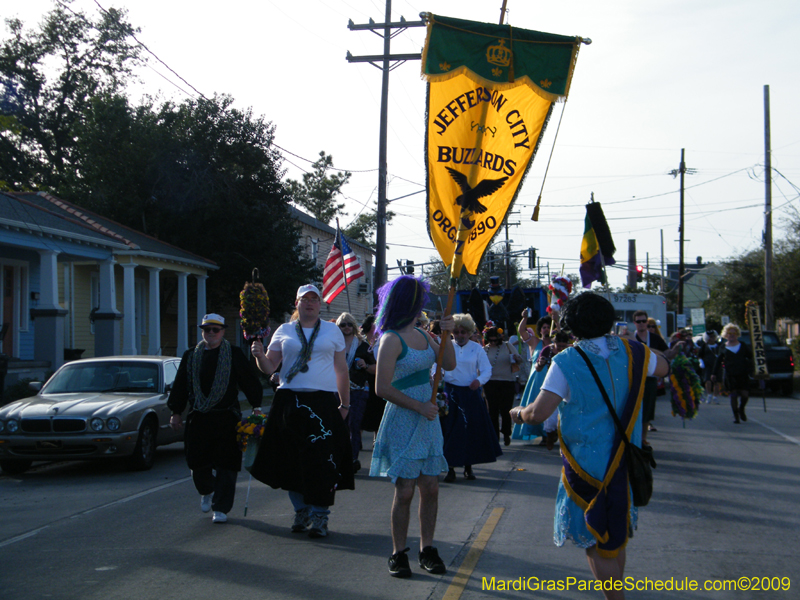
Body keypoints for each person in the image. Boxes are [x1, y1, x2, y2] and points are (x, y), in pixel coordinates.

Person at [511, 293, 669, 600]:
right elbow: (663, 366)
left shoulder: (566, 361)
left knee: (596, 540)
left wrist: (517, 412)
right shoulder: (633, 351)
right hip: (623, 462)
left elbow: (538, 413)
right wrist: (643, 350)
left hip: (586, 464)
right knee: (614, 538)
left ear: (570, 325)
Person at [249, 284, 354, 539]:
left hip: (322, 403)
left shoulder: (332, 331)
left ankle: (320, 517)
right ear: (296, 303)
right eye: (304, 299)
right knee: (291, 460)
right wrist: (259, 355)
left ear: (320, 304)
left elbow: (341, 370)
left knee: (321, 461)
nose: (309, 303)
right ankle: (301, 510)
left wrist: (345, 404)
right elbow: (270, 367)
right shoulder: (284, 330)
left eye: (314, 299)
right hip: (289, 401)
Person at [368, 276, 456, 578]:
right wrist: (418, 405)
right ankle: (398, 553)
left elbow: (450, 364)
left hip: (428, 419)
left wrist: (448, 334)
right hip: (405, 417)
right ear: (408, 302)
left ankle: (427, 549)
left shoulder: (423, 333)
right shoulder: (391, 340)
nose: (424, 305)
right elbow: (381, 387)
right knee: (405, 490)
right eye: (420, 300)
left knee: (430, 487)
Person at [167, 313, 263, 524]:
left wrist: (256, 406)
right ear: (202, 331)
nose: (211, 333)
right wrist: (175, 411)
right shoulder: (191, 355)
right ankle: (206, 489)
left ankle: (221, 507)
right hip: (199, 416)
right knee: (196, 462)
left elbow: (249, 380)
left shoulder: (234, 354)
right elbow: (181, 384)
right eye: (207, 329)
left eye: (215, 330)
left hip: (226, 417)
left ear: (222, 332)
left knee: (226, 465)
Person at [440, 313, 502, 482]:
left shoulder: (477, 349)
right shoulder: (445, 346)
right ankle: (450, 468)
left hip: (469, 392)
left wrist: (479, 381)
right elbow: (436, 367)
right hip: (449, 394)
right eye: (457, 332)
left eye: (463, 332)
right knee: (449, 431)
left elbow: (487, 370)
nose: (460, 335)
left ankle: (468, 467)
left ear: (469, 332)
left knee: (469, 431)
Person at [625, 309, 679, 446]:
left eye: (644, 321)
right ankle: (631, 436)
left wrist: (677, 348)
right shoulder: (630, 338)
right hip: (633, 378)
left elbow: (667, 354)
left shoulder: (655, 338)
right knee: (632, 407)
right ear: (634, 323)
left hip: (650, 378)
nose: (642, 324)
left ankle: (643, 438)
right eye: (639, 321)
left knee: (647, 410)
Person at [336, 311, 375, 473]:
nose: (346, 327)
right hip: (336, 390)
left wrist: (365, 365)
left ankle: (352, 459)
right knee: (339, 425)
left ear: (354, 326)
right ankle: (340, 457)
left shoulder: (363, 345)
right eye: (342, 325)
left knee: (354, 424)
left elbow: (376, 368)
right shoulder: (334, 344)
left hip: (358, 390)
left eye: (349, 324)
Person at [512, 310, 555, 442]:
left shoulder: (556, 345)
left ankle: (552, 434)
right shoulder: (535, 342)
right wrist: (524, 317)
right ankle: (543, 435)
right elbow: (521, 331)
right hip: (537, 381)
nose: (546, 329)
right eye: (544, 327)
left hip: (553, 379)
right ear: (540, 330)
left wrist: (556, 320)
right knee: (537, 407)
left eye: (548, 327)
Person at [482, 322, 523, 446]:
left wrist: (516, 358)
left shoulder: (507, 346)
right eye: (491, 340)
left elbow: (520, 360)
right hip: (490, 383)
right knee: (492, 411)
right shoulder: (484, 349)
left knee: (506, 410)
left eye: (495, 340)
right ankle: (495, 437)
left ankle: (506, 433)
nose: (493, 343)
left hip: (506, 382)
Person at [532, 330, 573, 450]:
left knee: (567, 415)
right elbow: (538, 369)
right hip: (553, 384)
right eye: (558, 346)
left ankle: (564, 440)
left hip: (569, 384)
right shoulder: (547, 350)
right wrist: (540, 364)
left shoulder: (571, 351)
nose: (560, 349)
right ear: (553, 343)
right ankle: (549, 436)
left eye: (563, 346)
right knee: (550, 416)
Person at [713, 323, 753, 424]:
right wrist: (714, 373)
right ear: (726, 335)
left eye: (734, 333)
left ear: (737, 334)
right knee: (733, 395)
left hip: (742, 374)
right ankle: (736, 416)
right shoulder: (722, 347)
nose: (731, 335)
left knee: (745, 394)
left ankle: (741, 409)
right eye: (729, 333)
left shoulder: (743, 345)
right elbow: (718, 361)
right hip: (730, 374)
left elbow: (751, 357)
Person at [696, 329, 721, 403]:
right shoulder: (704, 346)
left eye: (713, 337)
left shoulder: (718, 345)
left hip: (717, 366)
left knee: (717, 382)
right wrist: (701, 362)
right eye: (709, 337)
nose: (711, 338)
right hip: (707, 366)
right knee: (708, 381)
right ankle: (709, 394)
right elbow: (699, 355)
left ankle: (715, 396)